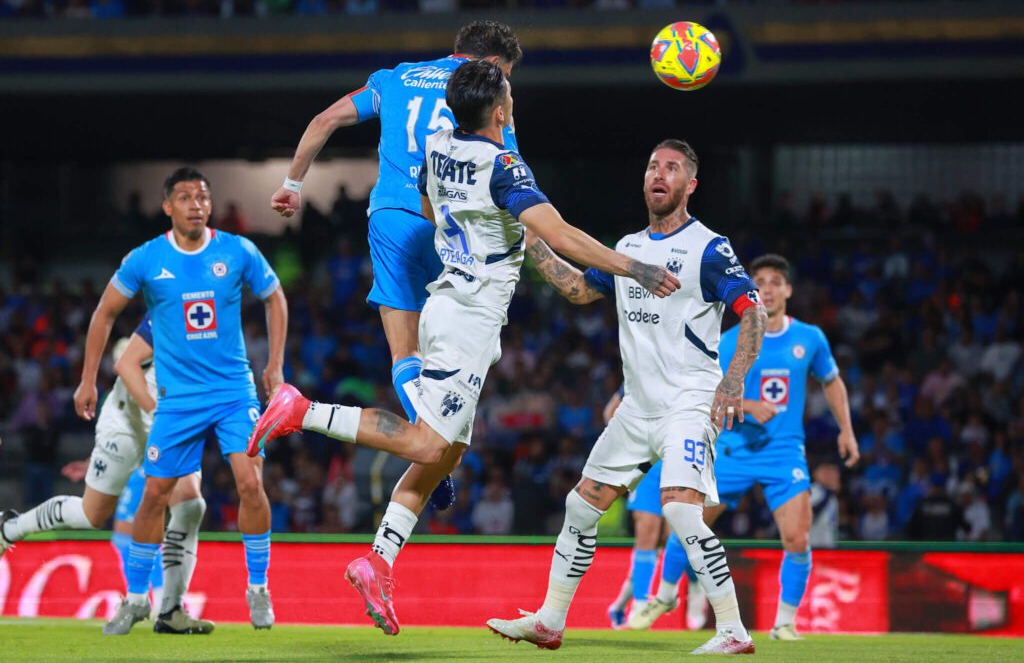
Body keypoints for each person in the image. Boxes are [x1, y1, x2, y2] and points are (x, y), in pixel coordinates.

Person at [250, 60, 679, 637]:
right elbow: (560, 234)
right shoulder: (503, 165)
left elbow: (431, 207)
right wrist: (634, 267)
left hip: (455, 303)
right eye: (510, 93)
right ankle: (301, 411)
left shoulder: (440, 145)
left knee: (447, 452)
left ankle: (378, 560)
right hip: (467, 316)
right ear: (500, 109)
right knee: (429, 442)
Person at [487, 139, 765, 655]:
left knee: (681, 511)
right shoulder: (629, 248)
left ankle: (733, 630)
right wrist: (532, 240)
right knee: (579, 506)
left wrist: (733, 379)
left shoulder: (708, 246)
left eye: (673, 168)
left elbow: (754, 312)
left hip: (688, 398)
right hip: (637, 407)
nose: (659, 174)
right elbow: (578, 289)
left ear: (690, 185)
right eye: (653, 166)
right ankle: (549, 621)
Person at [270, 20, 524, 511]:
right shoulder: (489, 96)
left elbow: (325, 120)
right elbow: (506, 166)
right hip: (455, 222)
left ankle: (427, 448)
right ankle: (434, 453)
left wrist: (293, 185)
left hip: (391, 217)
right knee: (459, 347)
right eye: (506, 75)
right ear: (493, 66)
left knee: (404, 353)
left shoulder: (397, 77)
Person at [72, 167, 288, 634]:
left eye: (203, 196)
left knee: (251, 485)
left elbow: (275, 298)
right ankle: (135, 600)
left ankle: (257, 589)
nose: (196, 203)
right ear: (167, 206)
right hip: (178, 400)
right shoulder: (146, 259)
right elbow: (104, 313)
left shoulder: (237, 251)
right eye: (185, 196)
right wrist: (88, 379)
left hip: (234, 393)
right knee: (154, 496)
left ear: (210, 205)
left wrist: (274, 366)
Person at [641, 254, 860, 641]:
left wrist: (847, 430)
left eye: (776, 281)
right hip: (733, 451)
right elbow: (707, 391)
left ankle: (785, 623)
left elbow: (832, 381)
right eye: (759, 282)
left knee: (797, 537)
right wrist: (746, 404)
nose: (768, 289)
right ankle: (665, 593)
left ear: (788, 289)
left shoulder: (810, 338)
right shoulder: (728, 341)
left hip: (784, 453)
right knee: (692, 523)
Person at [2, 322, 212, 634]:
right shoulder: (170, 310)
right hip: (129, 423)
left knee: (191, 504)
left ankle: (170, 609)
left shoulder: (218, 329)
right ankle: (10, 527)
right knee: (93, 513)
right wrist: (156, 412)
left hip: (171, 424)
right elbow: (124, 362)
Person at [602, 385, 671, 630]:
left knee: (667, 540)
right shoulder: (642, 370)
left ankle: (620, 604)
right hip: (648, 464)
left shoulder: (689, 366)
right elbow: (610, 412)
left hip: (676, 459)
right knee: (647, 535)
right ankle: (640, 606)